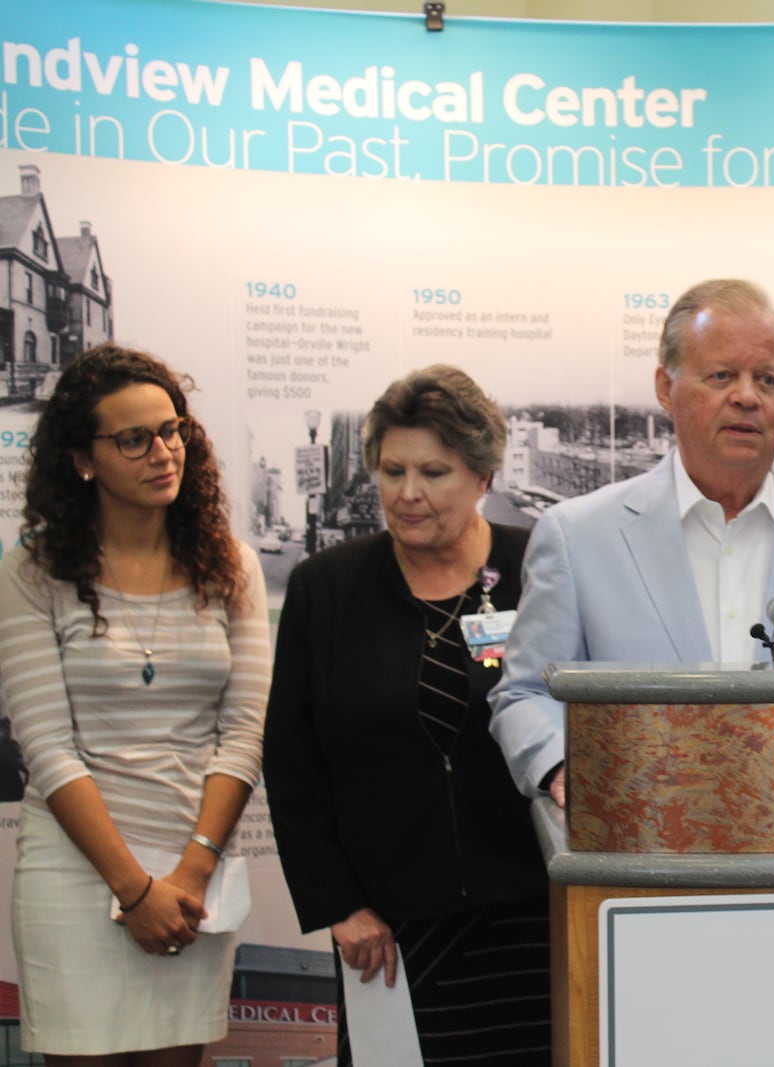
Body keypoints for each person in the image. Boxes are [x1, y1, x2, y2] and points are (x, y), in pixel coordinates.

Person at [489, 278, 774, 803]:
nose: (747, 397)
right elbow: (525, 694)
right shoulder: (578, 537)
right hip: (642, 847)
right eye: (722, 375)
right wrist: (563, 764)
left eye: (768, 380)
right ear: (666, 387)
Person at [263, 366, 551, 1065]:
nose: (408, 493)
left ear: (482, 475)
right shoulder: (325, 589)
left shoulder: (540, 567)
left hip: (535, 921)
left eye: (433, 471)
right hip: (387, 933)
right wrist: (339, 905)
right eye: (392, 470)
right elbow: (292, 761)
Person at [0, 344, 269, 1062]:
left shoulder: (230, 563)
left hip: (191, 873)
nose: (163, 452)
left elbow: (244, 733)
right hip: (77, 871)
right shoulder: (32, 569)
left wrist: (189, 873)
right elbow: (48, 747)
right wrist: (132, 887)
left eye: (172, 429)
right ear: (82, 458)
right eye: (134, 439)